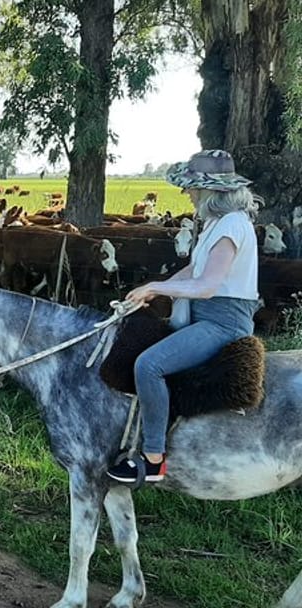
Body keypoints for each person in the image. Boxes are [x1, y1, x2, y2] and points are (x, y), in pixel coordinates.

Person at [107, 149, 261, 484]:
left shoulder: (232, 225)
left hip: (222, 322)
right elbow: (193, 270)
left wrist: (156, 286)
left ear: (209, 190)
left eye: (191, 186)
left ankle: (153, 460)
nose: (187, 192)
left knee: (148, 365)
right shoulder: (217, 224)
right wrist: (151, 292)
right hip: (205, 316)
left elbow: (206, 286)